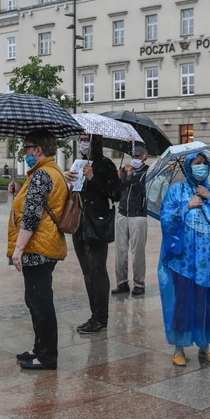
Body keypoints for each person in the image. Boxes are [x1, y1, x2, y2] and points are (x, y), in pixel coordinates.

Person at [158, 152, 210, 366]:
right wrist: (186, 206)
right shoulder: (177, 190)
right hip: (183, 261)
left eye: (205, 163)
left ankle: (204, 346)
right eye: (197, 163)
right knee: (183, 302)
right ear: (189, 167)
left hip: (207, 262)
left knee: (204, 303)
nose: (202, 167)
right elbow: (166, 218)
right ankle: (179, 347)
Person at [8, 129, 69, 370]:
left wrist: (18, 249)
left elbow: (31, 216)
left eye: (28, 148)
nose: (25, 152)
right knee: (35, 299)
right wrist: (17, 193)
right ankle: (39, 348)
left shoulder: (43, 175)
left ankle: (47, 356)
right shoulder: (48, 172)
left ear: (39, 150)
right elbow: (31, 205)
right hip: (44, 245)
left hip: (38, 248)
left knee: (40, 302)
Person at [64, 133, 121, 335]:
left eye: (86, 139)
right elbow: (73, 193)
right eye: (80, 139)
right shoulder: (78, 163)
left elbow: (115, 194)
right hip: (78, 223)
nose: (82, 143)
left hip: (96, 224)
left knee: (98, 269)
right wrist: (67, 179)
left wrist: (93, 178)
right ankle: (93, 314)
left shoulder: (106, 165)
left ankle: (101, 317)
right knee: (87, 271)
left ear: (94, 141)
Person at [113, 144, 149, 297]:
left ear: (144, 157)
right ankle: (121, 282)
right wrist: (119, 178)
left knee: (138, 252)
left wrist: (131, 176)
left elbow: (144, 190)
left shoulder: (147, 172)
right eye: (133, 155)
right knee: (120, 251)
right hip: (122, 213)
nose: (135, 159)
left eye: (138, 156)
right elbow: (117, 191)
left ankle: (139, 283)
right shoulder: (125, 170)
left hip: (138, 215)